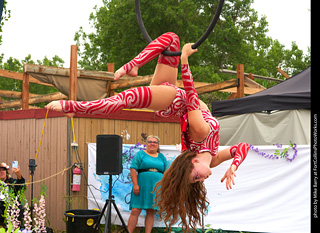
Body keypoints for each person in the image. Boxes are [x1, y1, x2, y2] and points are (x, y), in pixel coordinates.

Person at [45, 32, 249, 231]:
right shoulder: (212, 159)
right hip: (170, 91)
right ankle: (133, 66)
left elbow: (191, 95)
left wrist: (185, 60)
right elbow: (242, 147)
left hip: (170, 100)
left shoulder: (200, 133)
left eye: (196, 178)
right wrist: (234, 166)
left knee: (122, 101)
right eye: (198, 179)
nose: (203, 180)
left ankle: (72, 107)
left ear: (193, 162)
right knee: (172, 40)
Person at [128, 135, 167, 233]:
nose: (152, 144)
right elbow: (133, 169)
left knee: (151, 211)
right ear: (146, 144)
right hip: (141, 185)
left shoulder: (161, 157)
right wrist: (135, 185)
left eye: (155, 142)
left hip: (156, 187)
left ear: (158, 145)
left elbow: (166, 172)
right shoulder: (141, 154)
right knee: (135, 210)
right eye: (150, 142)